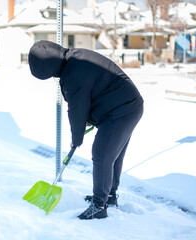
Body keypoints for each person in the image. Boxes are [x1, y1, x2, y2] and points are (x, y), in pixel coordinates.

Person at [28, 40, 144, 220]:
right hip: (127, 105)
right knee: (112, 155)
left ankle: (99, 206)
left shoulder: (72, 76)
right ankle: (109, 196)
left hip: (121, 110)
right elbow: (90, 94)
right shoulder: (76, 57)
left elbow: (77, 109)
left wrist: (77, 137)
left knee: (102, 154)